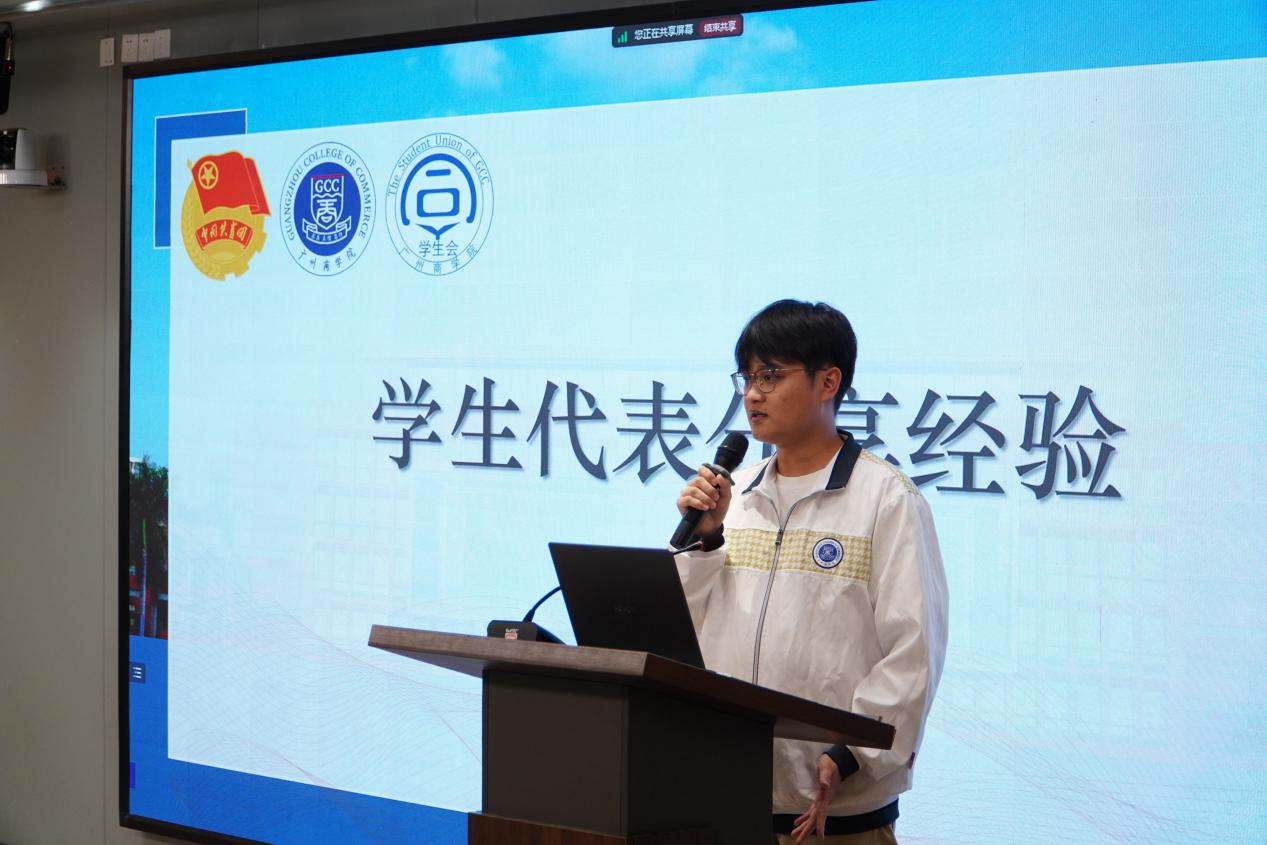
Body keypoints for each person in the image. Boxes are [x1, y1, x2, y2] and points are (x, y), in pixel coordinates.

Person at [673, 300, 948, 844]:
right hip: (723, 799)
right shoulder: (734, 495)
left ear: (828, 382)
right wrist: (702, 540)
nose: (753, 394)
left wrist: (852, 755)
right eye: (747, 377)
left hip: (833, 815)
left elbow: (914, 649)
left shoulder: (887, 499)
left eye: (771, 376)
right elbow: (679, 629)